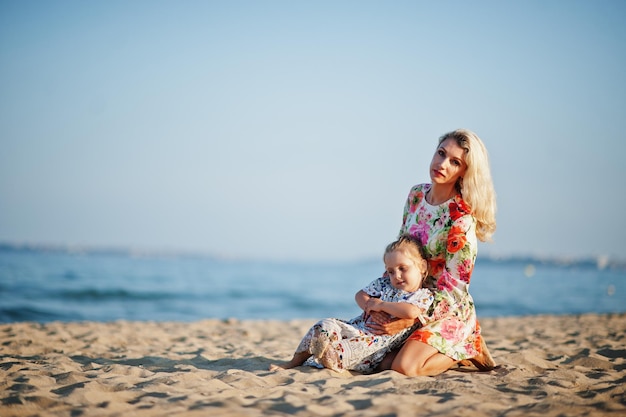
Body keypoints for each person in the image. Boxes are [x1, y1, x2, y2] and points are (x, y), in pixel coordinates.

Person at [367, 128, 497, 376]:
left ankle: (467, 348)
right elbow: (401, 251)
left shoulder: (461, 219)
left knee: (404, 367)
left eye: (455, 162)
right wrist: (383, 301)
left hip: (446, 310)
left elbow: (454, 290)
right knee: (379, 364)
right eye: (441, 153)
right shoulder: (416, 195)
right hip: (407, 298)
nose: (442, 164)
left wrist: (413, 317)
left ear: (464, 173)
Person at [269, 235, 434, 373]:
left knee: (340, 351)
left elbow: (411, 312)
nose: (396, 276)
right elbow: (360, 295)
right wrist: (369, 304)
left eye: (402, 268)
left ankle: (327, 355)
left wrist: (381, 305)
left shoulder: (422, 295)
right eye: (391, 271)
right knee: (324, 325)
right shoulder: (384, 284)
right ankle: (295, 361)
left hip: (373, 344)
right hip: (355, 327)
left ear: (422, 266)